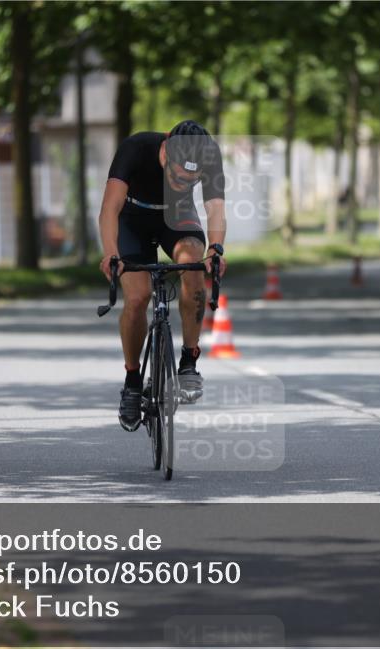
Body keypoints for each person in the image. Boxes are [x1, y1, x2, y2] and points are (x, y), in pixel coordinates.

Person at [97, 120, 227, 432]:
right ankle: (131, 381)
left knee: (193, 268)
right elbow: (109, 208)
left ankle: (188, 362)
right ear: (166, 148)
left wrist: (216, 250)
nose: (184, 179)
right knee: (138, 296)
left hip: (177, 217)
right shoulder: (136, 148)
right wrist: (111, 253)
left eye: (190, 178)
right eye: (178, 173)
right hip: (133, 220)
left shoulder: (209, 156)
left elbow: (215, 209)